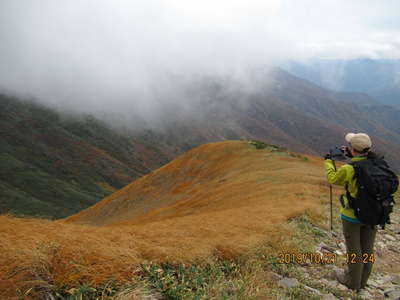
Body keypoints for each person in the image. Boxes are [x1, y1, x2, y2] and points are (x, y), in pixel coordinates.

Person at [324, 133, 377, 292]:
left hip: (352, 216)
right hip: (373, 215)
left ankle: (352, 283)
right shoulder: (377, 164)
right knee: (367, 250)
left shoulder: (349, 168)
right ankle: (362, 282)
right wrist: (351, 155)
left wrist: (328, 161)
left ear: (353, 149)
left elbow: (333, 179)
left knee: (354, 251)